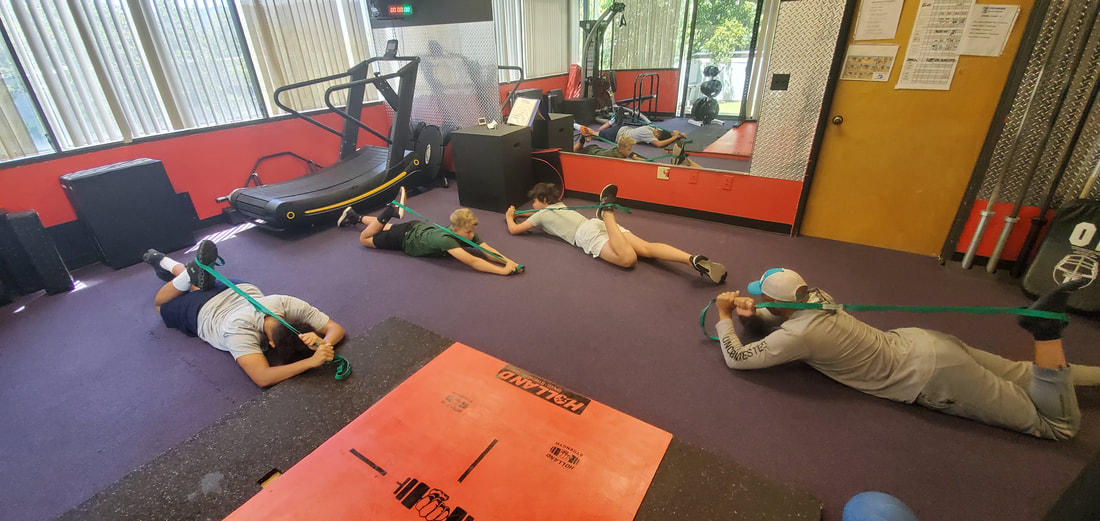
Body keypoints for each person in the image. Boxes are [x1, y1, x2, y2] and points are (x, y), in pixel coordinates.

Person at [713, 268, 1099, 440]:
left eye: (765, 297)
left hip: (933, 377)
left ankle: (1046, 333)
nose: (761, 300)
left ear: (781, 303)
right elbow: (782, 317)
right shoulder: (816, 296)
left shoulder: (797, 336)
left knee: (1056, 426)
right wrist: (754, 314)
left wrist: (725, 317)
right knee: (1024, 373)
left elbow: (738, 358)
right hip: (925, 342)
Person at [144, 240, 346, 388]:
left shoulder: (284, 303)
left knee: (197, 284)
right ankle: (188, 273)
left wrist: (324, 344)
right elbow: (262, 377)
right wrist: (312, 361)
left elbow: (335, 328)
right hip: (204, 309)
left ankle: (178, 267)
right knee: (161, 305)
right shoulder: (239, 330)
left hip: (237, 288)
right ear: (271, 344)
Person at [505, 183, 727, 284]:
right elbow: (538, 214)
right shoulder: (559, 206)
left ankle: (607, 213)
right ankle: (691, 259)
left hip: (585, 234)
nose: (532, 205)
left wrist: (509, 216)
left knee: (628, 259)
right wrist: (523, 214)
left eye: (535, 201)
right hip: (595, 225)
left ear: (543, 200)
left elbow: (515, 230)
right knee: (647, 248)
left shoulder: (541, 215)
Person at [337, 192, 523, 276]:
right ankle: (388, 211)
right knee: (365, 239)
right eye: (468, 232)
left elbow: (487, 251)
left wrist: (509, 262)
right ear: (456, 230)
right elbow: (474, 261)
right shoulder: (446, 240)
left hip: (415, 227)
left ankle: (354, 216)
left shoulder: (466, 232)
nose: (472, 235)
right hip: (404, 239)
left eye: (472, 230)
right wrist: (502, 271)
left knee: (384, 227)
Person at [576, 117, 684, 148]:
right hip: (617, 135)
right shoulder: (649, 134)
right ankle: (576, 126)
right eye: (657, 136)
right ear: (657, 135)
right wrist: (675, 137)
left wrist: (678, 136)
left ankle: (611, 122)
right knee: (594, 135)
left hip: (621, 129)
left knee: (599, 132)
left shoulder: (652, 128)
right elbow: (659, 144)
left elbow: (665, 135)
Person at [573, 133, 644, 160]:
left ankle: (582, 139)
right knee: (574, 152)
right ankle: (582, 139)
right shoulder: (618, 157)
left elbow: (626, 151)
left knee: (578, 149)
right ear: (621, 148)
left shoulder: (619, 149)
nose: (630, 151)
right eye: (629, 150)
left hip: (595, 148)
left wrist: (633, 156)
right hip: (589, 152)